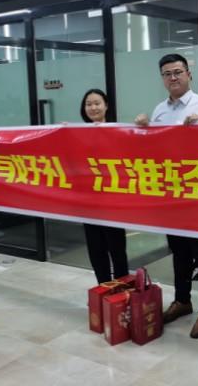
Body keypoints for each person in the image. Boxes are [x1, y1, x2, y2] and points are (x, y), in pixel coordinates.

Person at [135, 53, 198, 339]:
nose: (173, 78)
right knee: (179, 252)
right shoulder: (160, 110)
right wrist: (143, 131)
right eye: (167, 74)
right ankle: (182, 301)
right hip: (173, 193)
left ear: (188, 74)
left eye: (177, 72)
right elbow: (155, 150)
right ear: (162, 79)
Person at [80, 88, 129, 283]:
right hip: (88, 202)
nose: (93, 108)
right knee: (96, 250)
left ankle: (122, 290)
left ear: (106, 106)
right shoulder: (77, 134)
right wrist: (63, 134)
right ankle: (104, 289)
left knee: (117, 249)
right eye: (88, 104)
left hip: (112, 201)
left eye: (97, 103)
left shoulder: (117, 131)